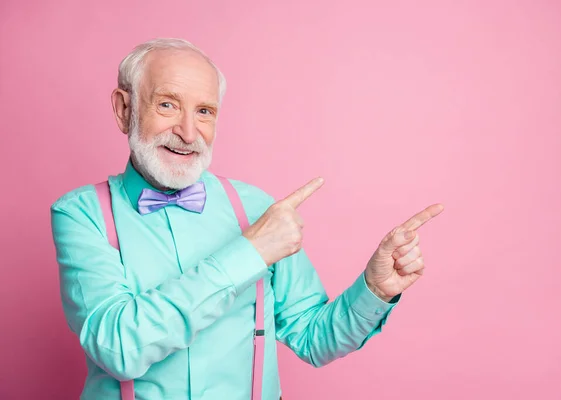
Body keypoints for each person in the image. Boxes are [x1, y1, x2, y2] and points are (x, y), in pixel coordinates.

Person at [50, 37, 444, 400]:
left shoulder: (256, 208)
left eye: (204, 111)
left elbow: (313, 338)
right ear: (124, 109)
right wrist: (249, 252)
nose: (188, 132)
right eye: (167, 104)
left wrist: (374, 291)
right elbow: (118, 348)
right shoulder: (81, 214)